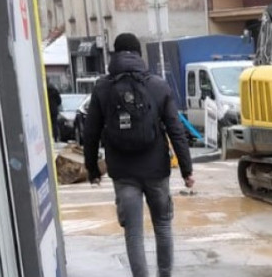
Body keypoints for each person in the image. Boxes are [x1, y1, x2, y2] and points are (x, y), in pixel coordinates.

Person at [83, 33, 194, 277]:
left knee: (133, 234)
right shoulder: (157, 85)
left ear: (115, 53)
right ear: (138, 54)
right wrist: (187, 170)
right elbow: (176, 129)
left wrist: (92, 169)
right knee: (163, 226)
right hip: (156, 170)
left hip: (123, 173)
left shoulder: (103, 87)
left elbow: (90, 133)